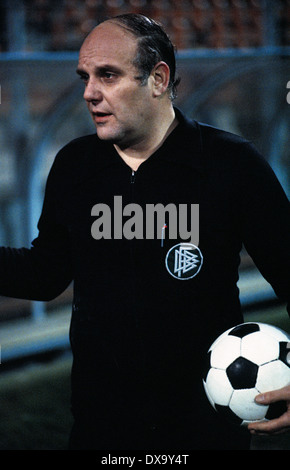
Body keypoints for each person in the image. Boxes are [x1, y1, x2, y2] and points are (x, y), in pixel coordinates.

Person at [0, 13, 289, 450]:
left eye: (108, 76)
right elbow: (46, 273)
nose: (89, 93)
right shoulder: (75, 166)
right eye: (85, 77)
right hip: (101, 427)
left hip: (202, 431)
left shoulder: (232, 164)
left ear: (157, 79)